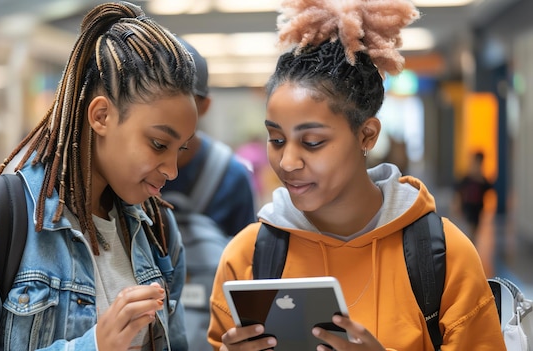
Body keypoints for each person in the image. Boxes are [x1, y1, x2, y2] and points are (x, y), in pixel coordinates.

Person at [207, 0, 506, 350]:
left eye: (313, 142)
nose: (287, 162)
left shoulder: (441, 256)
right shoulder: (248, 257)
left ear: (367, 135)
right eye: (276, 139)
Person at [0, 2, 197, 350]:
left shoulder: (160, 233)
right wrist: (92, 346)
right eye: (158, 144)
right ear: (102, 116)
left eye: (181, 149)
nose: (172, 170)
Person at [161, 37, 256, 351]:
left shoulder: (232, 176)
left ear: (204, 106)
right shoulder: (129, 170)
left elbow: (246, 273)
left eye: (184, 99)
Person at [453, 151, 494, 242]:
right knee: (469, 229)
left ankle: (471, 246)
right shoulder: (467, 178)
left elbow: (489, 187)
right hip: (468, 207)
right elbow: (458, 190)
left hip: (477, 209)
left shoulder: (482, 180)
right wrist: (457, 204)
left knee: (474, 230)